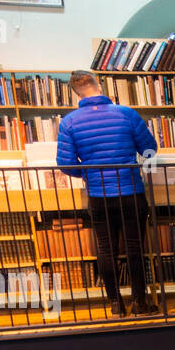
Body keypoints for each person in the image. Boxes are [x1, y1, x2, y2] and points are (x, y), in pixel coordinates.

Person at [57, 70, 159, 316]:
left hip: (98, 195)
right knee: (134, 247)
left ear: (76, 93)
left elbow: (66, 163)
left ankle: (116, 304)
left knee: (106, 249)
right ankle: (140, 303)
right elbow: (150, 149)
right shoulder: (126, 114)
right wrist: (140, 167)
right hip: (130, 191)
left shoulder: (69, 121)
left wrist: (90, 175)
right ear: (98, 85)